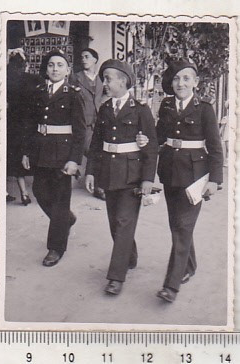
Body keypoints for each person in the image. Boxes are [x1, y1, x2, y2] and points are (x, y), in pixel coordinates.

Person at [137, 58, 223, 302]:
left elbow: (216, 148)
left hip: (195, 176)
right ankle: (190, 265)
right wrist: (145, 140)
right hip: (170, 172)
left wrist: (215, 180)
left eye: (186, 78)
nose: (180, 83)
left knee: (183, 227)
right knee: (178, 225)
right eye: (176, 78)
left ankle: (171, 285)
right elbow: (158, 138)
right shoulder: (165, 105)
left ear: (195, 82)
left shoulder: (204, 108)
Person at [85, 59, 158, 295]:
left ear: (123, 81)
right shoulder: (105, 109)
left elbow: (151, 146)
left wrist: (148, 179)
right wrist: (91, 172)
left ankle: (116, 277)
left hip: (132, 175)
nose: (104, 83)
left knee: (125, 222)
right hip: (108, 172)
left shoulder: (141, 109)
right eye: (104, 78)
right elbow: (96, 144)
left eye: (108, 78)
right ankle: (130, 254)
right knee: (115, 223)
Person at [22, 49, 86, 267]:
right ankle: (66, 220)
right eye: (51, 65)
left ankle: (56, 247)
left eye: (60, 65)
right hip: (40, 151)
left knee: (60, 200)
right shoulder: (38, 91)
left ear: (67, 70)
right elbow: (31, 125)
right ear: (46, 68)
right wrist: (26, 152)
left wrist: (74, 160)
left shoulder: (73, 93)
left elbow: (79, 130)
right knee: (39, 191)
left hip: (62, 154)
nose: (55, 69)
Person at [7, 51, 41, 205]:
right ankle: (38, 190)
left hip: (13, 123)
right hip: (31, 121)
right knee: (33, 155)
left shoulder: (8, 79)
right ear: (26, 64)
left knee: (16, 158)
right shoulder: (34, 79)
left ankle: (24, 193)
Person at [71, 48, 105, 200]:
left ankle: (99, 184)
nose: (83, 59)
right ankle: (98, 186)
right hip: (83, 123)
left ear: (95, 60)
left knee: (99, 152)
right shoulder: (75, 78)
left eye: (87, 57)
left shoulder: (101, 79)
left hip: (98, 123)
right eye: (82, 57)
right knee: (93, 153)